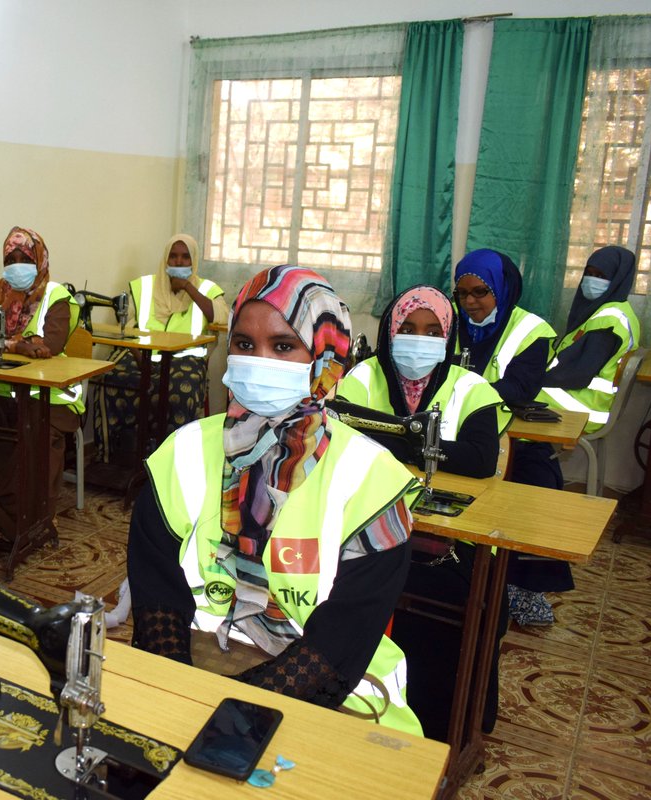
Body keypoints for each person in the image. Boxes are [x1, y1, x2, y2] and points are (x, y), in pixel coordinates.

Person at [127, 265, 422, 735]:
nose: (259, 360)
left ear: (325, 358)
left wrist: (232, 715)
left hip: (334, 688)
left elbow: (342, 639)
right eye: (244, 345)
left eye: (283, 346)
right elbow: (157, 591)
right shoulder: (183, 452)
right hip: (199, 656)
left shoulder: (372, 481)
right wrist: (181, 695)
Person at [338, 285, 507, 741]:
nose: (419, 339)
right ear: (390, 331)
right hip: (368, 525)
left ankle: (447, 725)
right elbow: (344, 440)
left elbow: (480, 459)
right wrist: (424, 445)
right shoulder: (361, 379)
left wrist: (405, 441)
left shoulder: (471, 388)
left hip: (450, 539)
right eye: (408, 328)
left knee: (474, 599)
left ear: (448, 336)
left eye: (433, 332)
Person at [452, 248, 563, 626]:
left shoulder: (532, 331)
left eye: (480, 292)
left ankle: (523, 586)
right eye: (462, 293)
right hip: (461, 428)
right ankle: (459, 571)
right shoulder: (448, 323)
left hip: (515, 434)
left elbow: (519, 388)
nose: (470, 302)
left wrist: (463, 390)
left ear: (502, 288)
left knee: (536, 483)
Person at [0, 226, 82, 541]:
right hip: (1, 390)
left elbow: (50, 344)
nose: (16, 266)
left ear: (39, 260)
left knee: (37, 433)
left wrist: (5, 343)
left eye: (24, 259)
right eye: (10, 259)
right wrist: (16, 345)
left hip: (49, 396)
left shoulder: (56, 295)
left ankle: (31, 522)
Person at [94, 234, 229, 461]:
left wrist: (189, 288)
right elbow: (128, 326)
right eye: (173, 256)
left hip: (184, 360)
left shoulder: (207, 289)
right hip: (141, 355)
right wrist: (138, 355)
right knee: (110, 378)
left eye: (185, 257)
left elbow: (221, 316)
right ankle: (117, 454)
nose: (178, 262)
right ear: (165, 259)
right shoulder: (145, 286)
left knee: (179, 391)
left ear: (194, 260)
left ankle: (171, 460)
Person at [538, 246, 640, 433]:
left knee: (506, 399)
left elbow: (577, 373)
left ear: (618, 279)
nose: (592, 281)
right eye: (589, 274)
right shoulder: (613, 311)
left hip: (585, 405)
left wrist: (531, 378)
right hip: (581, 396)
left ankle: (530, 450)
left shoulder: (609, 321)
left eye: (601, 276)